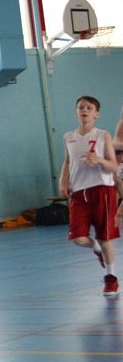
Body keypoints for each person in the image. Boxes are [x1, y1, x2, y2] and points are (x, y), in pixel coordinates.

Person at [59, 95, 119, 296]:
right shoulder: (68, 137)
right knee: (78, 237)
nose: (84, 110)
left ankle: (111, 279)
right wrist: (63, 180)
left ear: (96, 114)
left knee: (105, 237)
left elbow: (113, 165)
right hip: (78, 193)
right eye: (81, 107)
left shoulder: (103, 135)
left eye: (89, 108)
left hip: (102, 190)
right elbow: (67, 161)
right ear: (76, 112)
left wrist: (99, 160)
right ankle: (96, 249)